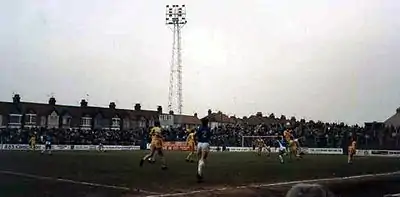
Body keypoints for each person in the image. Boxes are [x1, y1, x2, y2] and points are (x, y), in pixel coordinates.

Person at [196, 118, 212, 182]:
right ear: (207, 123)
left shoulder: (199, 128)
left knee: (199, 156)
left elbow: (197, 136)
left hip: (199, 143)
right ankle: (200, 171)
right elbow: (209, 136)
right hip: (205, 143)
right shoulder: (208, 129)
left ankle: (199, 172)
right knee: (203, 157)